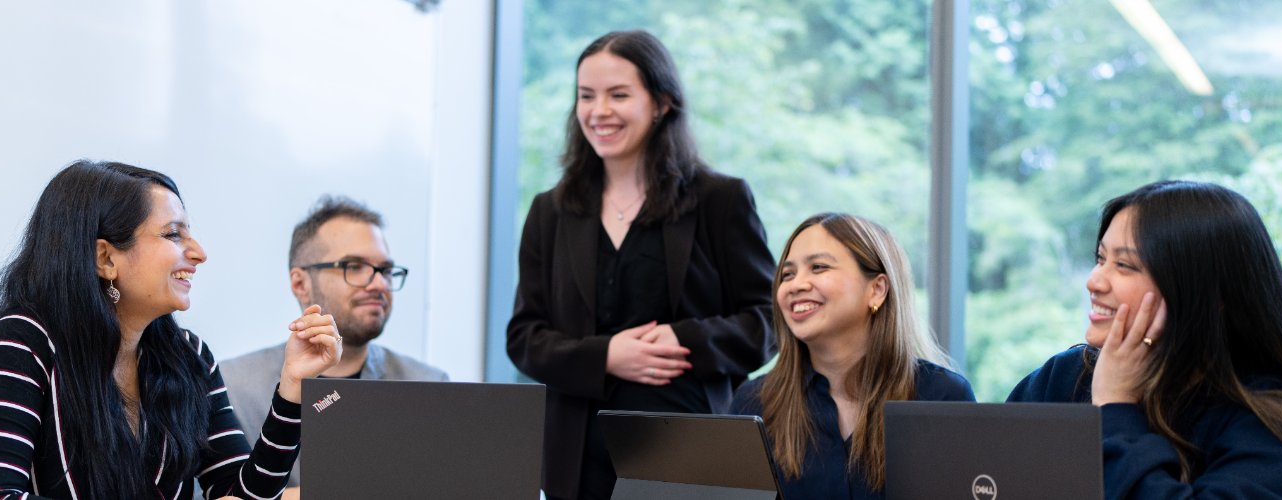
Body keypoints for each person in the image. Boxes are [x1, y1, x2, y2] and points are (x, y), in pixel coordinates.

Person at [0, 160, 343, 499]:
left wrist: (292, 389)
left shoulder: (189, 355)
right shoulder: (21, 344)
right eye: (173, 234)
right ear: (105, 258)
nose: (199, 253)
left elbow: (236, 494)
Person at [506, 29, 776, 500]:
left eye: (619, 95)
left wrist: (685, 337)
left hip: (693, 445)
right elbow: (524, 337)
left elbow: (767, 321)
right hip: (579, 454)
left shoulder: (720, 199)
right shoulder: (550, 210)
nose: (598, 111)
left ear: (662, 103)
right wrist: (606, 356)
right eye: (586, 96)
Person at [1007, 180, 1282, 498]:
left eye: (1124, 265)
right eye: (1100, 259)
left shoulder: (1281, 432)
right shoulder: (1064, 377)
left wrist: (1115, 406)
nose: (1094, 281)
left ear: (1208, 296)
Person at [729, 213, 975, 498]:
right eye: (787, 274)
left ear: (877, 289)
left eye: (818, 267)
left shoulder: (942, 396)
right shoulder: (751, 404)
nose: (796, 285)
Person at [220, 195, 448, 497]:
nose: (379, 284)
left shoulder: (429, 386)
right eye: (353, 266)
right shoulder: (234, 388)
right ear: (301, 284)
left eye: (385, 270)